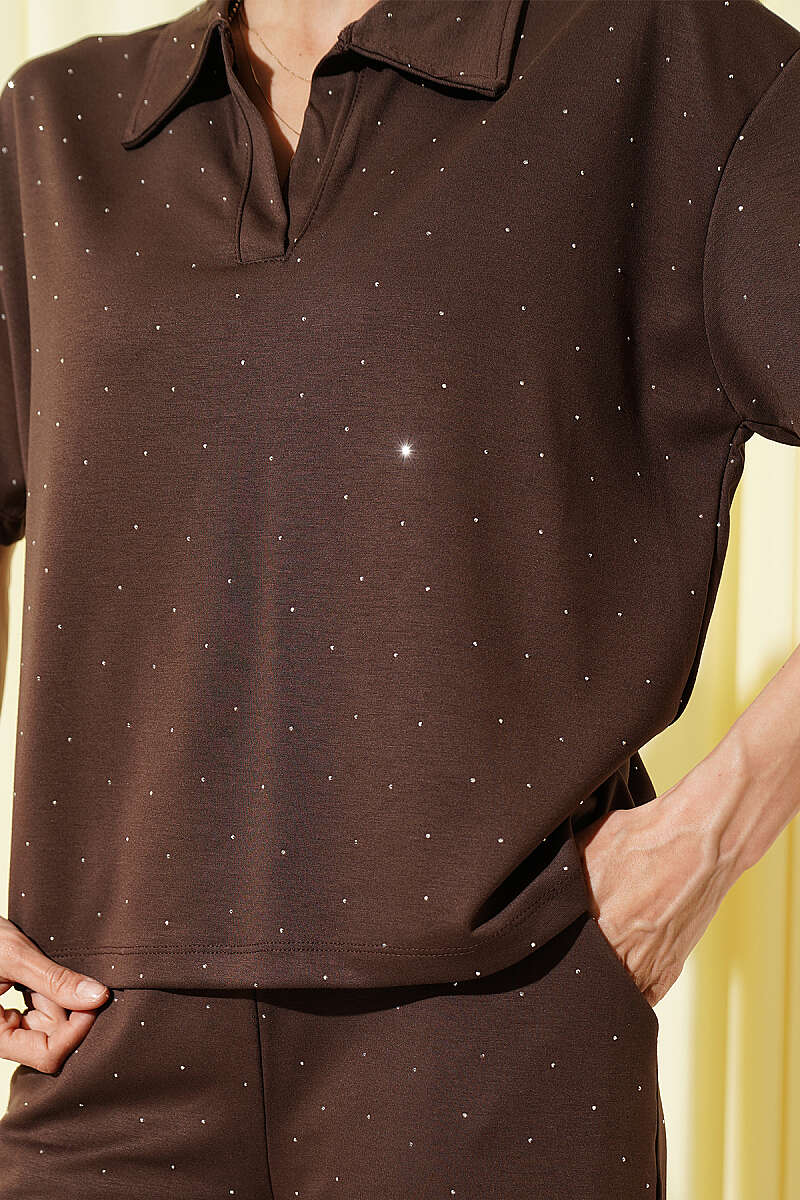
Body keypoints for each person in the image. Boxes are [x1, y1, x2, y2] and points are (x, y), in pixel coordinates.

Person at [0, 0, 798, 1194]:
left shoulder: (662, 57)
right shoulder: (57, 124)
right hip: (97, 1040)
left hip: (499, 1037)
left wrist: (710, 836)